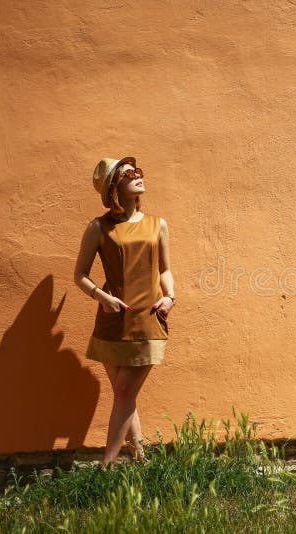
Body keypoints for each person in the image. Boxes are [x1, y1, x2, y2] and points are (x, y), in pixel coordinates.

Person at [73, 156, 175, 465]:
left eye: (138, 171)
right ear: (115, 187)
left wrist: (171, 297)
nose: (138, 176)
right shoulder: (99, 227)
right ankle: (142, 463)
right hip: (112, 321)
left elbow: (165, 270)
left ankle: (106, 469)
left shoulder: (158, 224)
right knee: (124, 395)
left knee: (123, 393)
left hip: (148, 320)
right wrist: (102, 297)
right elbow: (80, 274)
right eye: (129, 174)